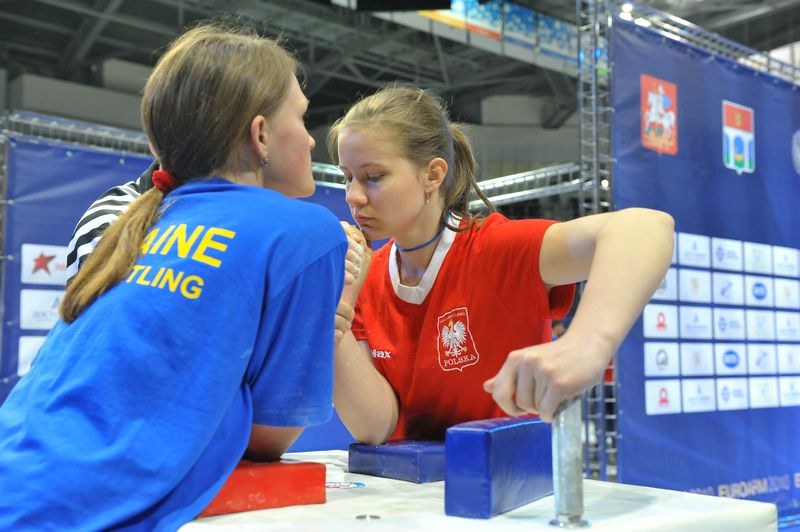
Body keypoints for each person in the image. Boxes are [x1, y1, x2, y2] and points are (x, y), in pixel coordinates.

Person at [0, 21, 351, 530]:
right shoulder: (307, 231)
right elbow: (271, 436)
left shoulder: (136, 221)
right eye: (303, 117)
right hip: (67, 512)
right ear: (260, 136)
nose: (313, 142)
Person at [329, 85, 675, 444]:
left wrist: (588, 345)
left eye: (373, 177)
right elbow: (377, 426)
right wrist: (334, 314)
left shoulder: (495, 249)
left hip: (516, 490)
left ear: (432, 175)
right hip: (414, 494)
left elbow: (647, 227)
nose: (353, 196)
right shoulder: (365, 278)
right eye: (347, 177)